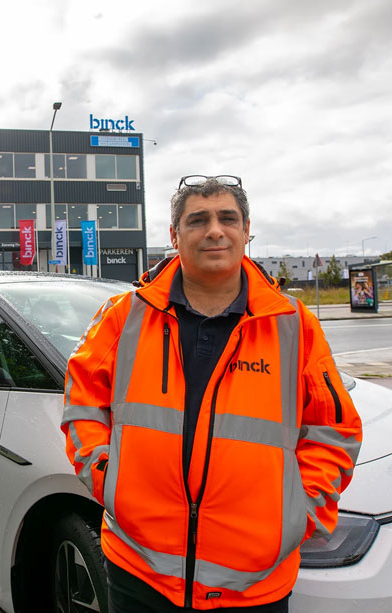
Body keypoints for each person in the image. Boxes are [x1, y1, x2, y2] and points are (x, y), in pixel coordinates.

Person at [61, 175, 362, 611]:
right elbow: (81, 400)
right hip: (139, 572)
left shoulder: (293, 325)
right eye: (198, 220)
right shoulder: (124, 317)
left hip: (253, 586)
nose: (215, 230)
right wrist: (111, 479)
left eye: (228, 218)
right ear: (175, 236)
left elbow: (335, 431)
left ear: (246, 231)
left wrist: (301, 511)